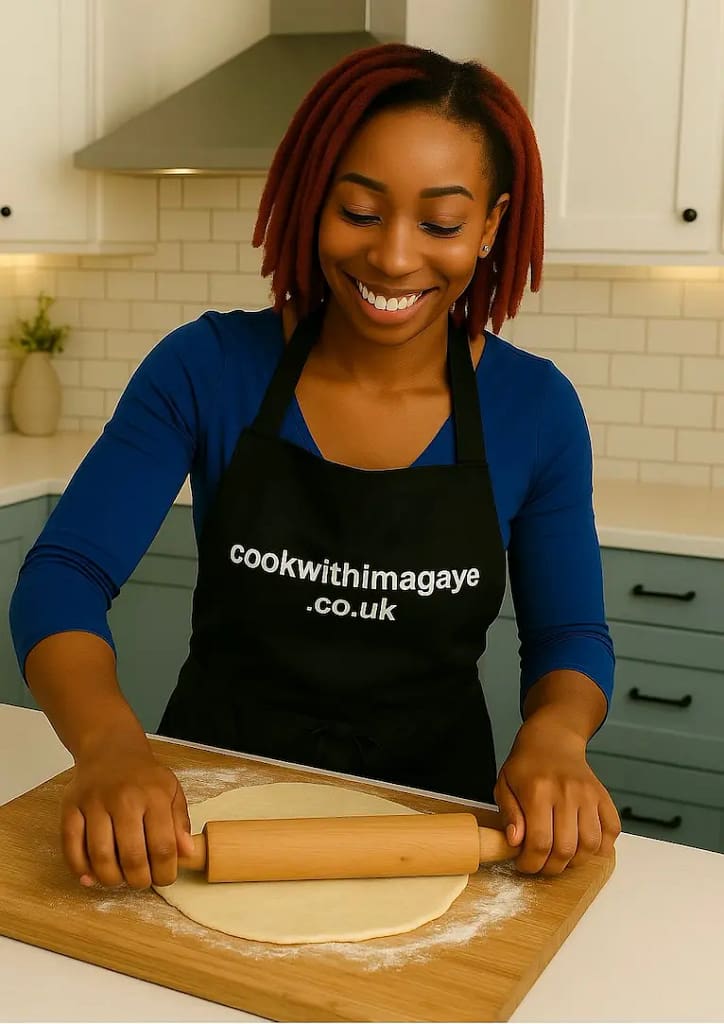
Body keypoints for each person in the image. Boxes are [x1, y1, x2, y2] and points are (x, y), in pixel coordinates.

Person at [9, 43, 620, 892]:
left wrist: (556, 738)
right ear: (310, 202)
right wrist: (110, 745)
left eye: (441, 223)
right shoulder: (207, 369)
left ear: (490, 225)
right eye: (360, 211)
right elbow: (63, 576)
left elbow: (569, 638)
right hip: (204, 812)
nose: (396, 257)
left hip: (426, 821)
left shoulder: (536, 411)